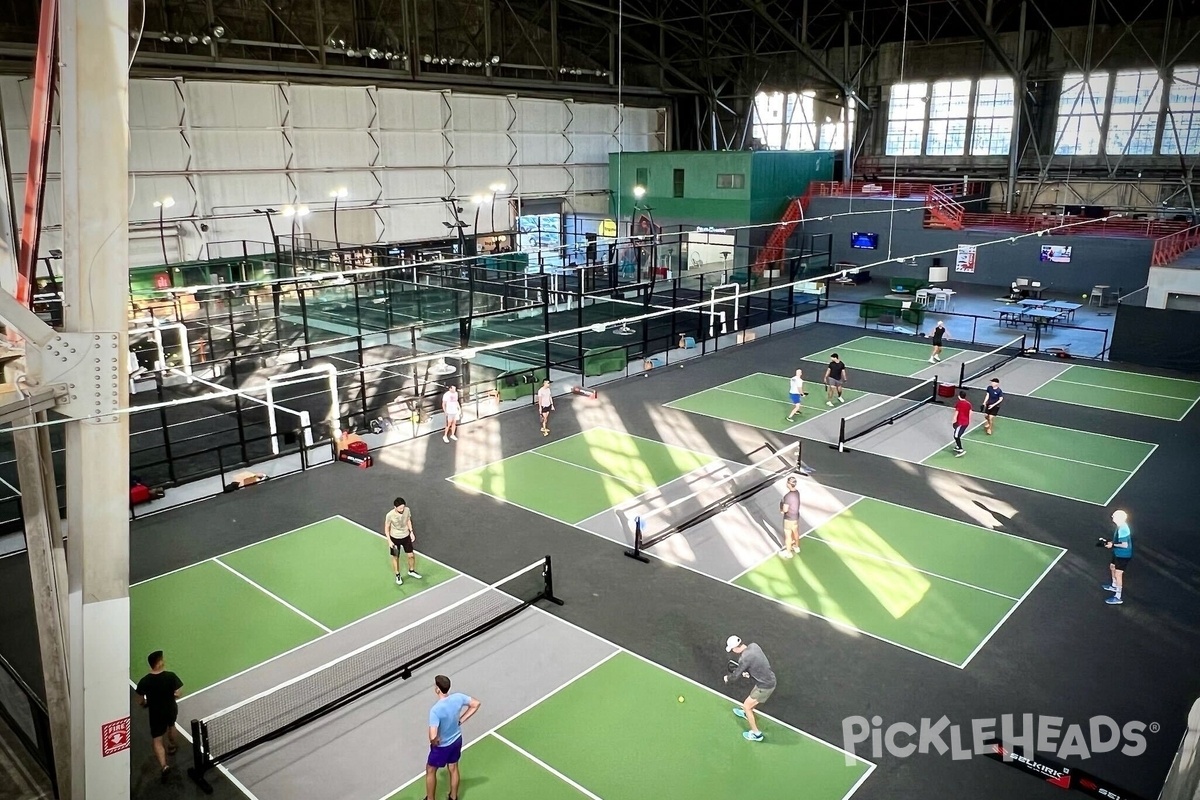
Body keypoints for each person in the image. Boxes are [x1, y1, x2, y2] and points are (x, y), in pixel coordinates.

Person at [426, 675, 481, 800]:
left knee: (430, 770)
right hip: (457, 740)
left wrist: (434, 742)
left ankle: (430, 799)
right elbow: (476, 704)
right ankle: (454, 797)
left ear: (438, 689)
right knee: (453, 767)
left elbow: (432, 736)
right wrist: (461, 720)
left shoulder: (435, 710)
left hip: (442, 747)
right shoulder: (458, 697)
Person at [135, 650, 183, 783]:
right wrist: (171, 695)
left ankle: (164, 765)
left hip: (156, 712)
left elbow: (139, 700)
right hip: (170, 708)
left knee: (157, 739)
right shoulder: (170, 676)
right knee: (171, 725)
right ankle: (173, 745)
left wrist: (145, 703)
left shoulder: (145, 681)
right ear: (159, 662)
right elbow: (178, 693)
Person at [723, 636, 776, 742]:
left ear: (736, 648)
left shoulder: (744, 658)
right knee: (751, 698)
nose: (733, 651)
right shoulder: (754, 646)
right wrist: (749, 672)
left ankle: (756, 734)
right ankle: (745, 713)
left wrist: (727, 678)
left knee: (747, 706)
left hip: (765, 686)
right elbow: (758, 663)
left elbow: (735, 676)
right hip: (767, 679)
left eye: (732, 649)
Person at [385, 497, 422, 584]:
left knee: (411, 555)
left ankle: (411, 571)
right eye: (400, 508)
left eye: (403, 507)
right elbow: (386, 528)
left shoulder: (407, 510)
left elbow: (408, 520)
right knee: (396, 557)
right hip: (395, 538)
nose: (402, 509)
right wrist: (389, 541)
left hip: (406, 536)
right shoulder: (389, 515)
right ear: (395, 507)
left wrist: (411, 532)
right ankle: (397, 575)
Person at [1103, 509, 1133, 606]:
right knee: (1112, 567)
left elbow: (1124, 545)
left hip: (1123, 555)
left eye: (1114, 516)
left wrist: (1112, 545)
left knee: (1118, 573)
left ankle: (1118, 596)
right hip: (1117, 552)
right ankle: (1114, 585)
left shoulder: (1123, 529)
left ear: (1119, 518)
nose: (1112, 517)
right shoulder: (1120, 526)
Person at [779, 476, 802, 558]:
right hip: (795, 517)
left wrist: (781, 509)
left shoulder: (787, 496)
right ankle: (796, 546)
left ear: (789, 484)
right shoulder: (797, 492)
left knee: (788, 535)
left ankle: (788, 553)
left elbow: (785, 510)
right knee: (795, 531)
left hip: (789, 519)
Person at [952, 390, 971, 457]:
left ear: (959, 396)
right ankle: (958, 446)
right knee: (957, 434)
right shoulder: (968, 403)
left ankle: (961, 449)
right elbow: (971, 412)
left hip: (960, 423)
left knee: (956, 436)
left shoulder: (959, 403)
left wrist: (954, 420)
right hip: (966, 422)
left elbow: (956, 412)